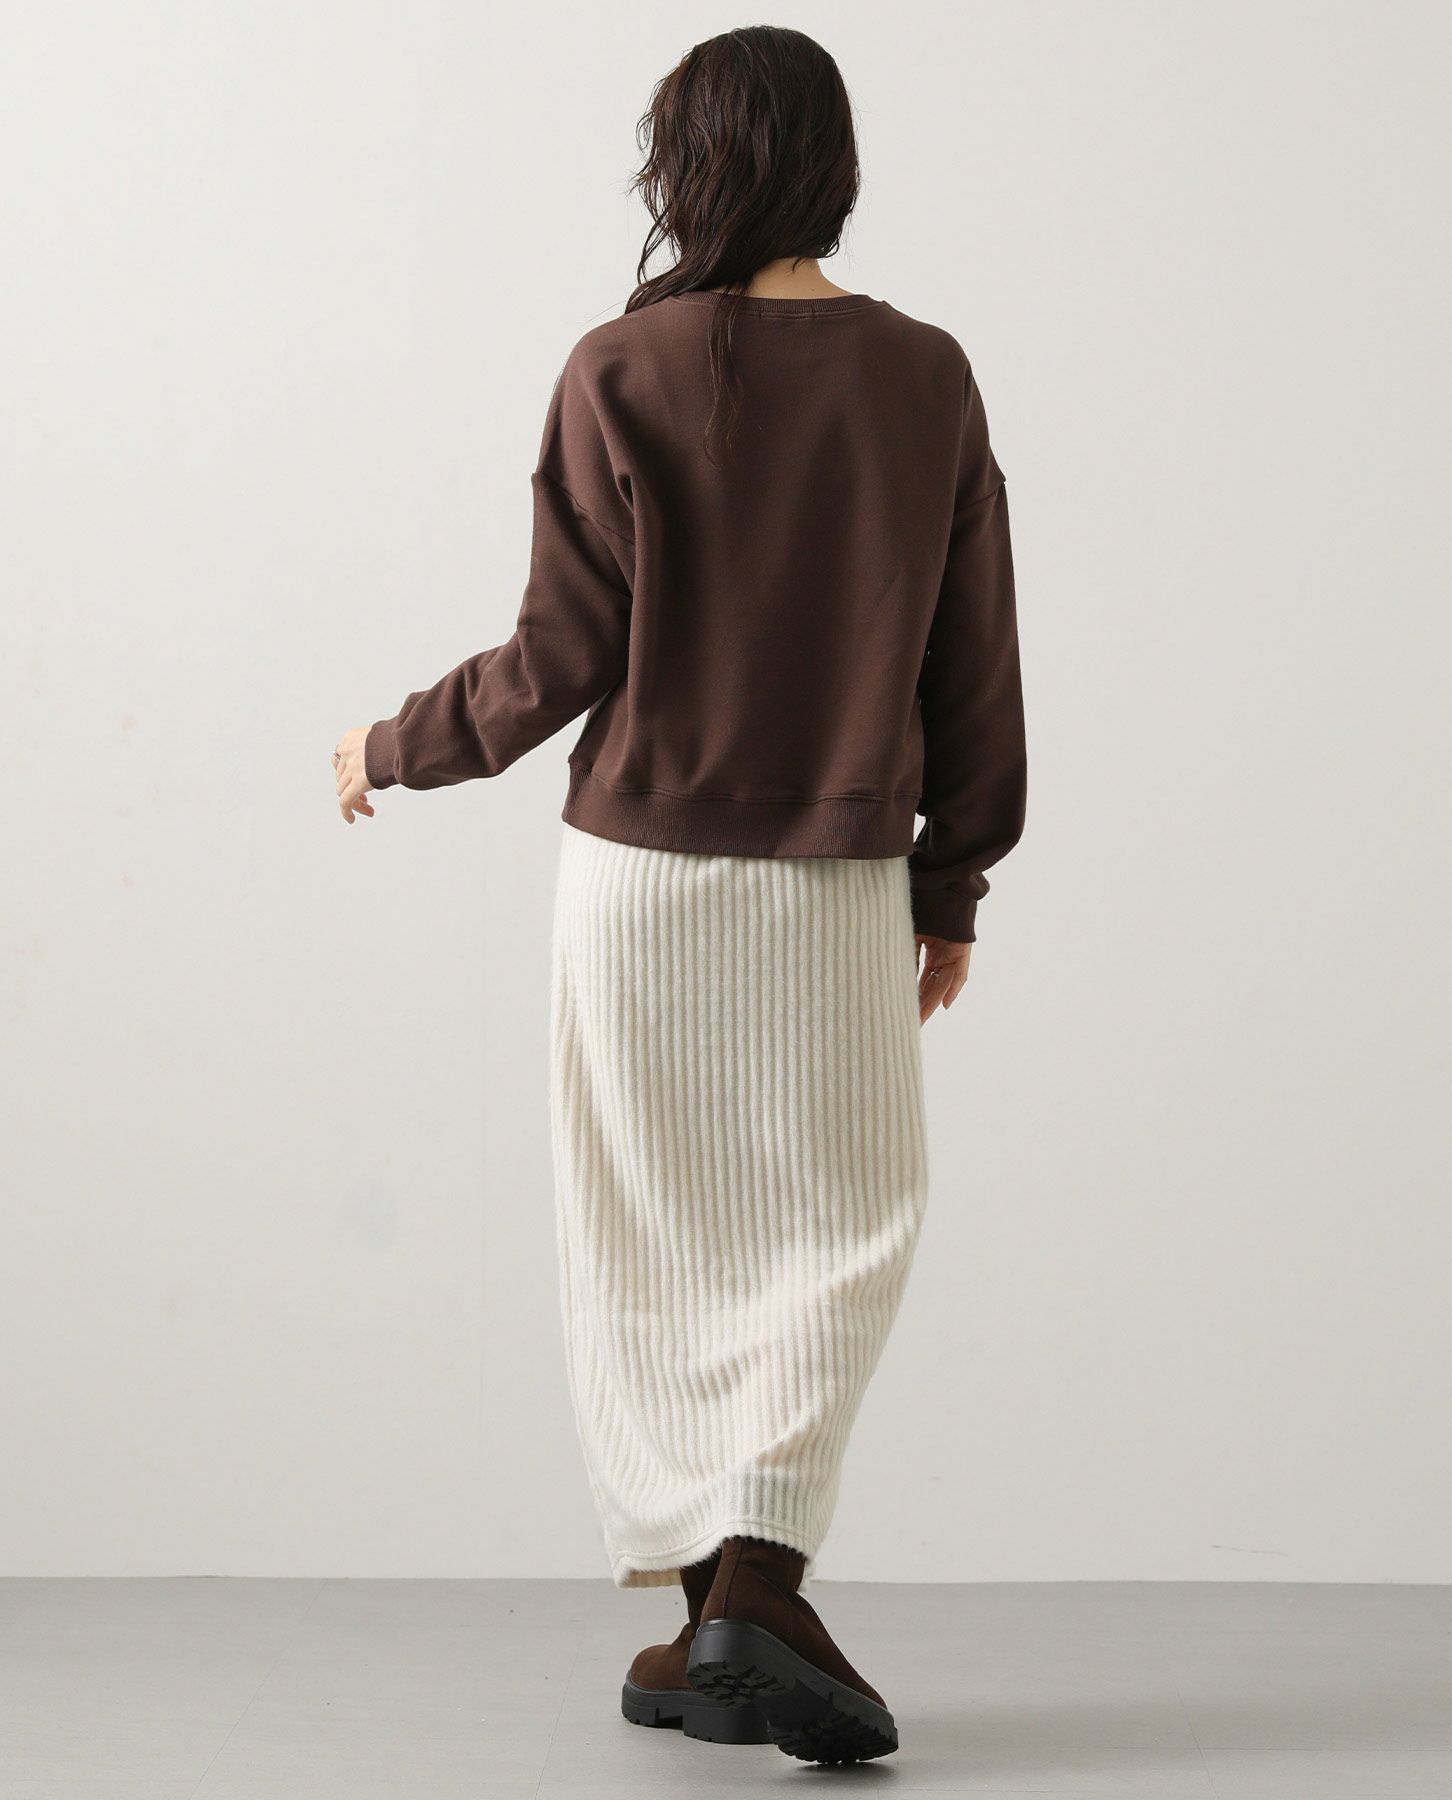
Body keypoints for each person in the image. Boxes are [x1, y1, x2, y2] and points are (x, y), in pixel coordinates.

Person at [330, 24, 1025, 1767]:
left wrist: (392, 744)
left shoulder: (615, 365)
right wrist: (952, 885)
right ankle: (752, 1595)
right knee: (839, 1223)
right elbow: (974, 666)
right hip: (833, 880)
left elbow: (559, 655)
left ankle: (729, 1612)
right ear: (835, 166)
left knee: (653, 1235)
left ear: (687, 165)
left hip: (632, 882)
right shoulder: (925, 376)